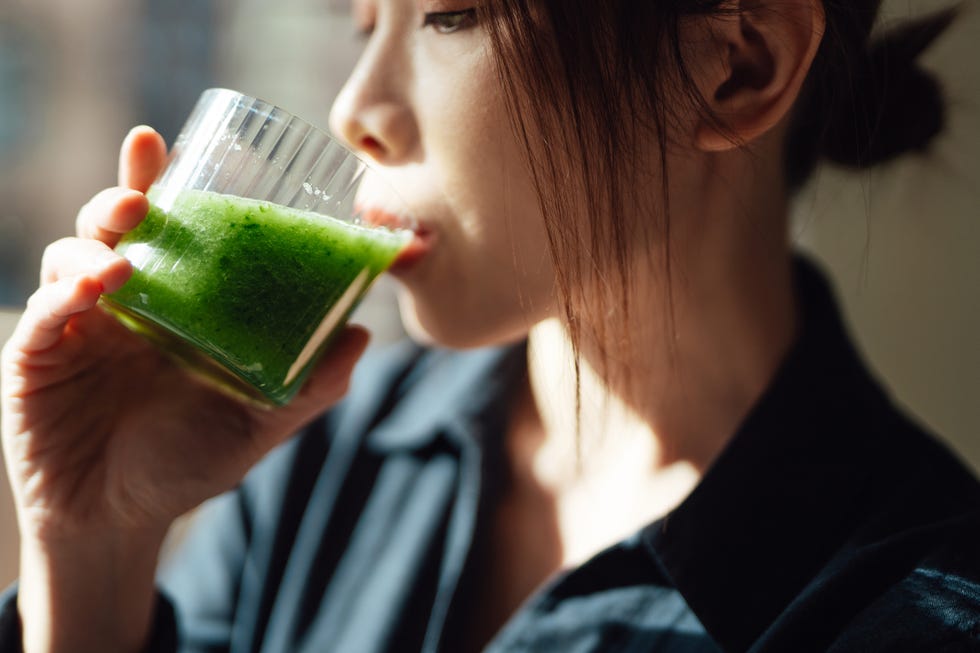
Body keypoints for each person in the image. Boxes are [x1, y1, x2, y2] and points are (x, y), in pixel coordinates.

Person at [1, 0, 978, 651]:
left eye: (448, 15)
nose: (356, 110)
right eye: (362, 22)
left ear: (734, 66)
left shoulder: (918, 600)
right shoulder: (323, 452)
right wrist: (91, 547)